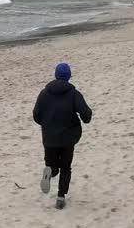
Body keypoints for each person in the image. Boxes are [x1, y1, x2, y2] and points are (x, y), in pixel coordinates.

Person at [33, 63, 93, 210]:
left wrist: (46, 124)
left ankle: (50, 170)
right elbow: (86, 115)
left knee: (52, 164)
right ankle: (60, 197)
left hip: (49, 138)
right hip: (68, 138)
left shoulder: (44, 93)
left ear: (55, 75)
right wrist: (84, 118)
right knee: (66, 167)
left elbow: (36, 115)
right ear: (68, 77)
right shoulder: (74, 94)